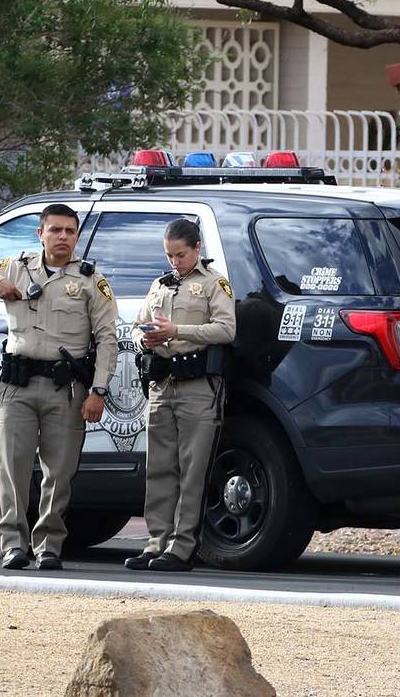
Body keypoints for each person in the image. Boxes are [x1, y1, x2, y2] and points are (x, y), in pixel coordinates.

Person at [0, 203, 118, 571]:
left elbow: (107, 339)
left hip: (64, 390)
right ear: (41, 234)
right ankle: (12, 545)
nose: (62, 237)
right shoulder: (17, 267)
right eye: (55, 230)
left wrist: (98, 392)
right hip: (17, 385)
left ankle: (49, 545)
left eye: (69, 231)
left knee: (59, 472)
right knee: (12, 468)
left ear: (77, 236)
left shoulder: (89, 280)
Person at [124, 218, 236, 572]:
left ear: (197, 249)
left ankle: (183, 546)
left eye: (181, 254)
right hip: (162, 384)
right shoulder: (159, 285)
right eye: (170, 255)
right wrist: (145, 338)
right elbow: (135, 326)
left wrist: (178, 330)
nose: (175, 261)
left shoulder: (214, 284)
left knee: (192, 469)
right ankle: (156, 542)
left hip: (197, 387)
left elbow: (226, 329)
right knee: (159, 468)